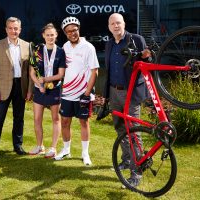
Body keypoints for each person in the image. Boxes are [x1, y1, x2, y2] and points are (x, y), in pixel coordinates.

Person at [103, 13, 149, 186]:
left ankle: (136, 173)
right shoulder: (109, 44)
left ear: (124, 24)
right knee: (120, 128)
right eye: (113, 23)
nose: (116, 26)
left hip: (131, 94)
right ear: (109, 27)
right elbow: (107, 71)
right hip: (114, 92)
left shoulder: (136, 39)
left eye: (118, 23)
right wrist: (107, 96)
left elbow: (147, 62)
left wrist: (147, 56)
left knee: (134, 132)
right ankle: (127, 160)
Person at [54, 16, 99, 166]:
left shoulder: (88, 47)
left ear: (78, 29)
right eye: (68, 32)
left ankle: (85, 153)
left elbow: (95, 72)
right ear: (65, 33)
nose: (72, 33)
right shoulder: (65, 47)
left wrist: (87, 94)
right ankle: (66, 149)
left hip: (82, 94)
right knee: (65, 122)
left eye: (74, 30)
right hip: (67, 93)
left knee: (83, 122)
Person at [0, 17, 33, 163]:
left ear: (20, 29)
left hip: (21, 86)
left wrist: (30, 90)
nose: (14, 31)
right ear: (6, 29)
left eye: (16, 28)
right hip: (3, 88)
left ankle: (18, 146)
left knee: (19, 118)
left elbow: (30, 72)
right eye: (11, 28)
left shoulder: (27, 45)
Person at [28, 23, 66, 158]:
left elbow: (61, 74)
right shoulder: (37, 50)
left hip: (55, 89)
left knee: (56, 119)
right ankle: (40, 146)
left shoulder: (61, 51)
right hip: (39, 89)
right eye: (47, 35)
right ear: (43, 35)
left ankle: (53, 148)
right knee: (37, 119)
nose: (50, 37)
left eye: (52, 35)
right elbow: (32, 72)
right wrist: (38, 83)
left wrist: (45, 80)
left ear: (56, 35)